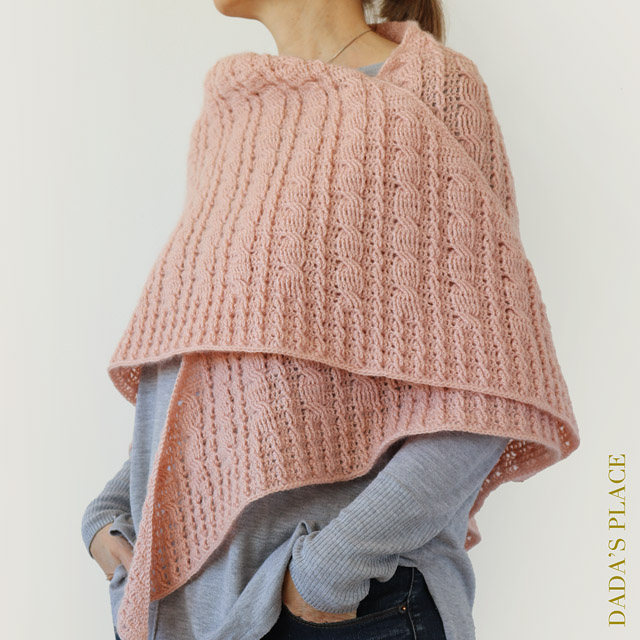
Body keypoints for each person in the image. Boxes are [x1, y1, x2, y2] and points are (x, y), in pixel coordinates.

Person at [81, 2, 580, 639]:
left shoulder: (428, 88)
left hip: (348, 608)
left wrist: (328, 574)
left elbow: (492, 388)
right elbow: (210, 375)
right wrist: (113, 509)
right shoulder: (234, 113)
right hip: (194, 611)